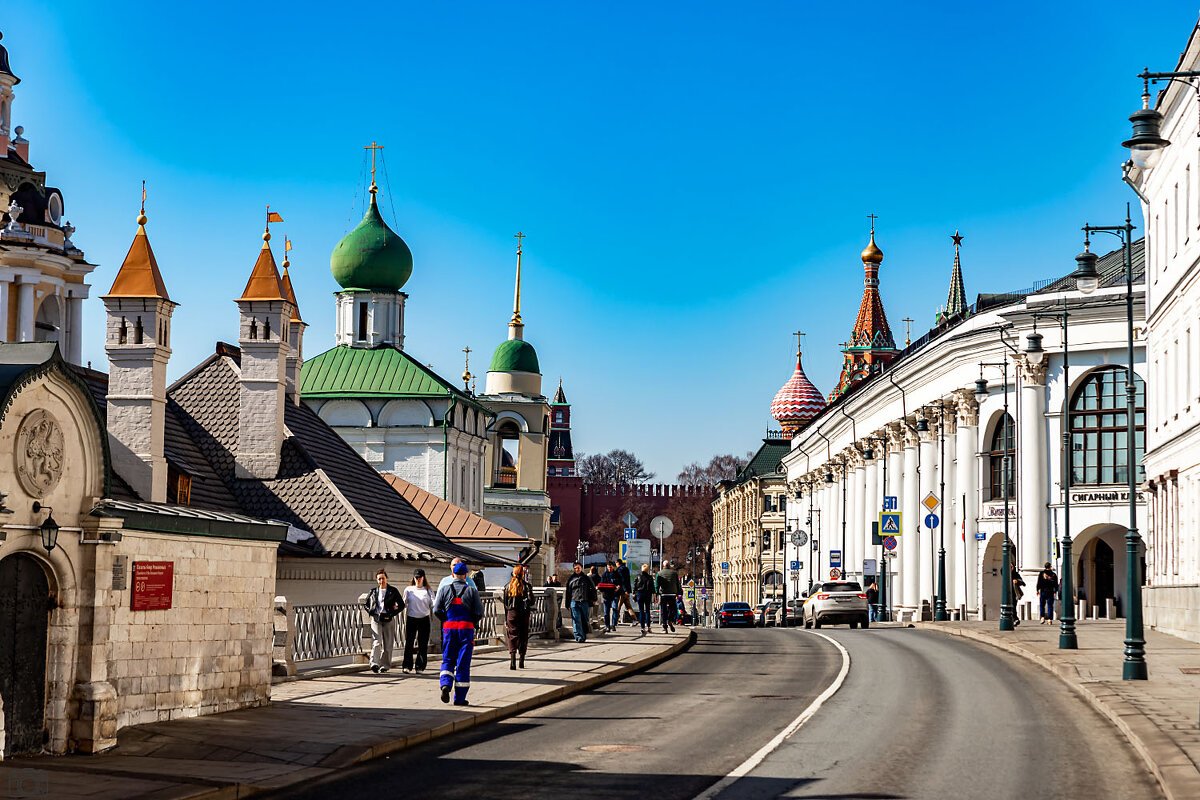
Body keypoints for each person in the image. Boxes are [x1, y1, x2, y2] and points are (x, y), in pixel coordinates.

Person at [433, 560, 484, 706]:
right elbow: (479, 612)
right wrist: (472, 622)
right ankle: (460, 698)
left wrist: (446, 620)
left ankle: (445, 685)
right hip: (466, 629)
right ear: (465, 575)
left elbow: (436, 610)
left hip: (449, 628)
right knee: (463, 663)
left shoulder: (444, 589)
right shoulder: (471, 591)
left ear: (453, 574)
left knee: (448, 659)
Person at [363, 568, 404, 673]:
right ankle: (374, 663)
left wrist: (392, 612)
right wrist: (371, 612)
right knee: (377, 641)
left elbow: (401, 605)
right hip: (377, 618)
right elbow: (366, 604)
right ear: (377, 580)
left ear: (387, 578)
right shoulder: (373, 591)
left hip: (388, 619)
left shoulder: (393, 591)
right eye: (379, 579)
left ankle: (385, 665)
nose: (381, 581)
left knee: (388, 643)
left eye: (383, 578)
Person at [402, 569, 434, 673]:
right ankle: (407, 665)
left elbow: (434, 603)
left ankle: (420, 666)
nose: (418, 579)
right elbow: (404, 603)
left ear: (423, 578)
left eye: (420, 577)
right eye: (416, 577)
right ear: (413, 578)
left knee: (423, 644)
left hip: (424, 619)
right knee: (409, 643)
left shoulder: (428, 590)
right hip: (412, 618)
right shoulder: (409, 590)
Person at [503, 565, 535, 669]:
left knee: (512, 636)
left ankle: (512, 660)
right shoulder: (526, 586)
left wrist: (505, 620)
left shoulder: (508, 586)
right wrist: (530, 591)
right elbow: (532, 601)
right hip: (524, 614)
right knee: (523, 635)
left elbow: (505, 604)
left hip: (512, 613)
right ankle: (521, 660)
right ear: (522, 574)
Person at [565, 562, 597, 642]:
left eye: (578, 568)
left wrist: (594, 599)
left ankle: (583, 634)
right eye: (575, 568)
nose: (577, 569)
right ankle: (578, 636)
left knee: (584, 620)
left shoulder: (586, 578)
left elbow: (593, 589)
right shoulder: (571, 579)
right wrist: (567, 603)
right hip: (574, 601)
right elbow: (568, 592)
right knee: (576, 620)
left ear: (581, 568)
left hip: (584, 601)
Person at [656, 561, 681, 633]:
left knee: (663, 610)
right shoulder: (674, 573)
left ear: (663, 566)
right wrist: (678, 593)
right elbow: (678, 584)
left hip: (663, 594)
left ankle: (664, 627)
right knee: (672, 609)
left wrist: (657, 594)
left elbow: (657, 585)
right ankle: (670, 620)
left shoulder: (659, 573)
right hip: (672, 594)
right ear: (669, 566)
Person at [597, 562, 621, 632]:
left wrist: (618, 586)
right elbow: (601, 584)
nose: (609, 568)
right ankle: (607, 626)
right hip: (607, 594)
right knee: (606, 612)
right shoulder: (604, 574)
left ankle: (613, 625)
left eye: (610, 567)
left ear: (613, 567)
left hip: (615, 594)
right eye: (608, 567)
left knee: (615, 609)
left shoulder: (616, 574)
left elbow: (620, 582)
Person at [632, 563, 655, 635]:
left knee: (641, 611)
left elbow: (635, 587)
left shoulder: (638, 577)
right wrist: (655, 596)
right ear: (648, 570)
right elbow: (652, 588)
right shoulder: (650, 577)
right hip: (647, 595)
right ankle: (648, 626)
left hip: (640, 594)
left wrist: (634, 596)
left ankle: (642, 627)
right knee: (647, 610)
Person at [616, 559, 635, 624]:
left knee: (618, 606)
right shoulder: (626, 569)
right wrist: (628, 590)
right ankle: (634, 619)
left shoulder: (619, 570)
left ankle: (615, 620)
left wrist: (624, 590)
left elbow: (622, 580)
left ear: (618, 563)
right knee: (628, 606)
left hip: (622, 591)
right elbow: (627, 580)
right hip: (627, 591)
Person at [1010, 561, 1026, 626]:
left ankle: (1015, 619)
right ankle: (1014, 619)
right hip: (1007, 593)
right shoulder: (1006, 573)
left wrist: (1017, 581)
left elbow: (1023, 583)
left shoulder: (1015, 574)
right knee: (1010, 607)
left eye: (1011, 566)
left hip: (1014, 593)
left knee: (1013, 606)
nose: (1011, 568)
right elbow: (1002, 571)